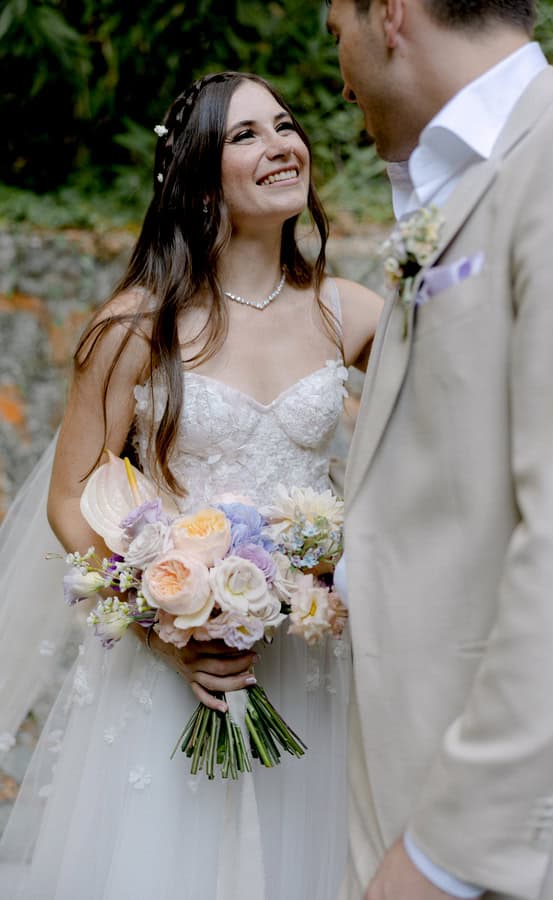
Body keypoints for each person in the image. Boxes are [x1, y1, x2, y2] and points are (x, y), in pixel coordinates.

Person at [0, 70, 382, 899]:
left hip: (310, 655)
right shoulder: (138, 326)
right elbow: (71, 496)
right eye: (246, 135)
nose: (281, 146)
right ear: (203, 183)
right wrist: (167, 625)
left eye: (285, 126)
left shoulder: (349, 313)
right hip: (184, 663)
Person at [325, 0, 553, 898]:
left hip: (508, 835)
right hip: (406, 764)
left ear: (390, 14)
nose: (340, 75)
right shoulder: (458, 185)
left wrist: (450, 853)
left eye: (335, 32)